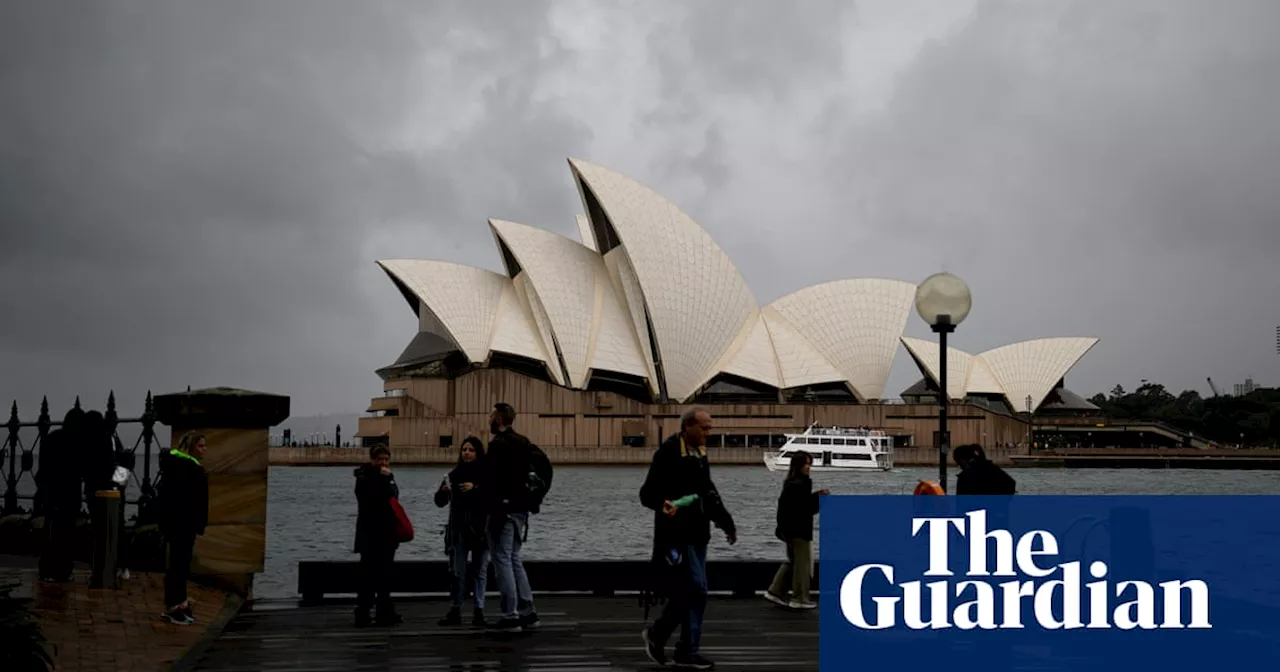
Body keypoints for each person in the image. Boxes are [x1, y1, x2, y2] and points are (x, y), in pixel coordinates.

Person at [639, 407, 736, 670]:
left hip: (698, 532)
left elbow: (708, 492)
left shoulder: (699, 453)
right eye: (704, 428)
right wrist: (664, 504)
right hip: (676, 534)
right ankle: (670, 639)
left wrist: (726, 522)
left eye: (709, 428)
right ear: (688, 427)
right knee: (695, 588)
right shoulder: (669, 453)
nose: (708, 433)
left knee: (696, 591)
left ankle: (682, 647)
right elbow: (647, 494)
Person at [484, 402, 539, 633]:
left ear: (498, 419)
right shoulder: (524, 442)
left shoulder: (498, 444)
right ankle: (528, 611)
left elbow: (492, 480)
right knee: (514, 557)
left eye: (491, 416)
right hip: (520, 510)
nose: (489, 419)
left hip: (502, 510)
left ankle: (510, 614)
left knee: (502, 559)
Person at [435, 436, 490, 627]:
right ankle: (456, 609)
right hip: (459, 530)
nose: (466, 453)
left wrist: (475, 488)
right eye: (464, 449)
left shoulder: (487, 475)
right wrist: (442, 493)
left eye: (471, 450)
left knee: (479, 571)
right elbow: (440, 503)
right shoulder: (454, 474)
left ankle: (479, 611)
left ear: (478, 453)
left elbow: (492, 498)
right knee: (458, 571)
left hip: (480, 530)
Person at [157, 431, 209, 625]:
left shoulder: (177, 466)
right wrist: (199, 523)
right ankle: (174, 606)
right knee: (179, 566)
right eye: (200, 446)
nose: (204, 450)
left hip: (178, 523)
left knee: (180, 565)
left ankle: (180, 603)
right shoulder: (191, 469)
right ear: (191, 447)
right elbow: (196, 501)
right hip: (183, 524)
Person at [765, 450, 828, 610]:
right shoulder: (801, 484)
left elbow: (795, 505)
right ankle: (799, 597)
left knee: (793, 561)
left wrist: (814, 496)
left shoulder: (791, 483)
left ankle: (775, 590)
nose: (809, 467)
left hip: (788, 530)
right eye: (807, 464)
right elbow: (804, 508)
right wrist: (820, 499)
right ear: (799, 465)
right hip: (799, 530)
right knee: (802, 563)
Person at [353, 444, 403, 627]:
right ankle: (363, 613)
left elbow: (394, 496)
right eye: (380, 459)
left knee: (385, 574)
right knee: (367, 575)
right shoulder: (363, 476)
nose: (383, 463)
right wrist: (385, 481)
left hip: (387, 533)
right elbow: (369, 499)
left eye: (386, 459)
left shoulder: (388, 477)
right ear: (372, 459)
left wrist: (388, 480)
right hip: (370, 533)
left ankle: (384, 611)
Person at [38, 407, 85, 583]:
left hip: (51, 491)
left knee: (51, 529)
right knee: (66, 532)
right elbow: (79, 469)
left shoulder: (52, 438)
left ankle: (47, 568)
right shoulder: (76, 442)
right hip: (68, 493)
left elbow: (43, 466)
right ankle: (62, 570)